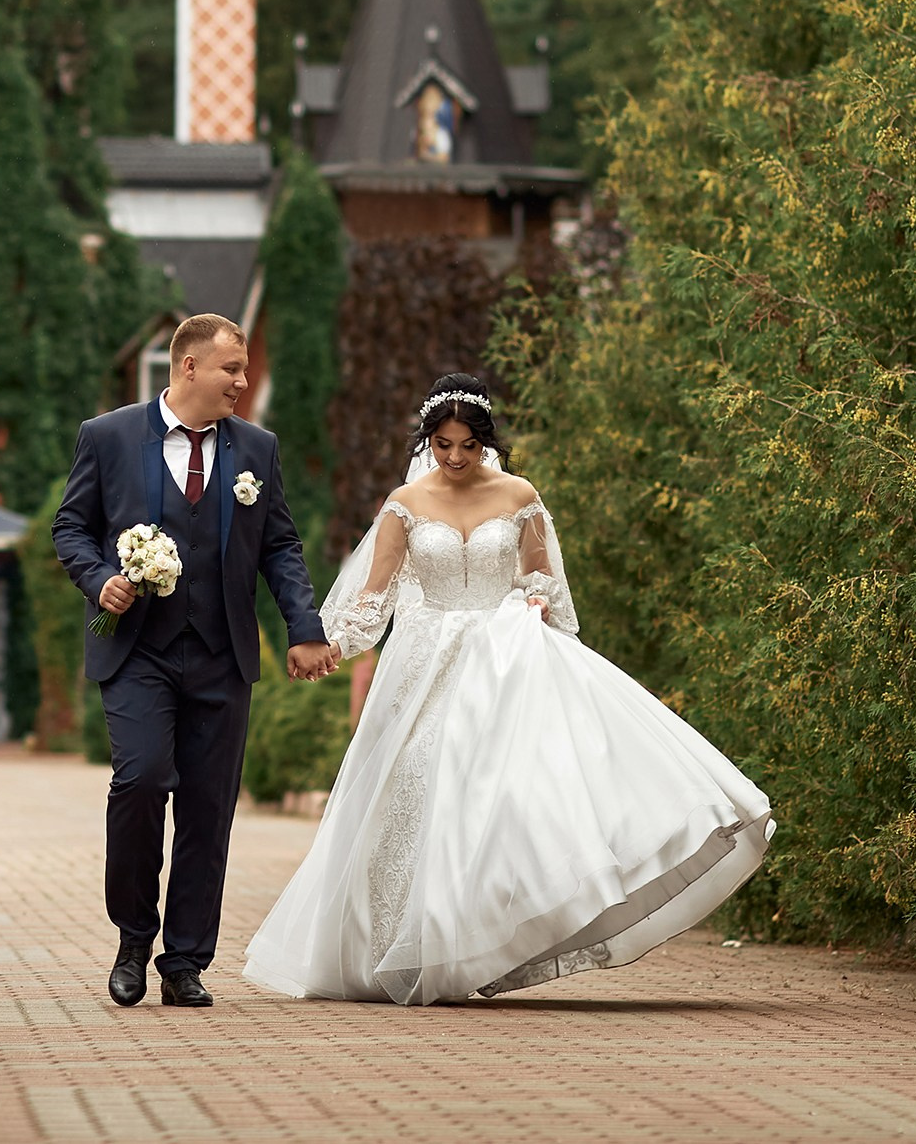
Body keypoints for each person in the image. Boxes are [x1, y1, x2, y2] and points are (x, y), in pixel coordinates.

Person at [241, 374, 774, 1005]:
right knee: (414, 786)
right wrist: (328, 647)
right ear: (428, 442)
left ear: (486, 442)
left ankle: (472, 947)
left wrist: (530, 606)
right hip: (425, 664)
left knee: (504, 797)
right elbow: (373, 598)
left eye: (468, 445)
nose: (457, 458)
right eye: (443, 446)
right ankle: (396, 946)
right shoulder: (404, 505)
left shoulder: (519, 496)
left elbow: (544, 582)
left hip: (503, 658)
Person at [51, 313, 340, 1008]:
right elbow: (72, 526)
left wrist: (304, 627)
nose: (243, 381)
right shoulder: (110, 436)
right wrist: (100, 580)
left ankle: (184, 960)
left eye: (243, 370)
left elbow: (279, 546)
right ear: (187, 367)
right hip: (138, 651)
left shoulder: (257, 450)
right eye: (231, 369)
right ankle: (132, 937)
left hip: (222, 652)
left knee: (209, 811)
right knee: (143, 779)